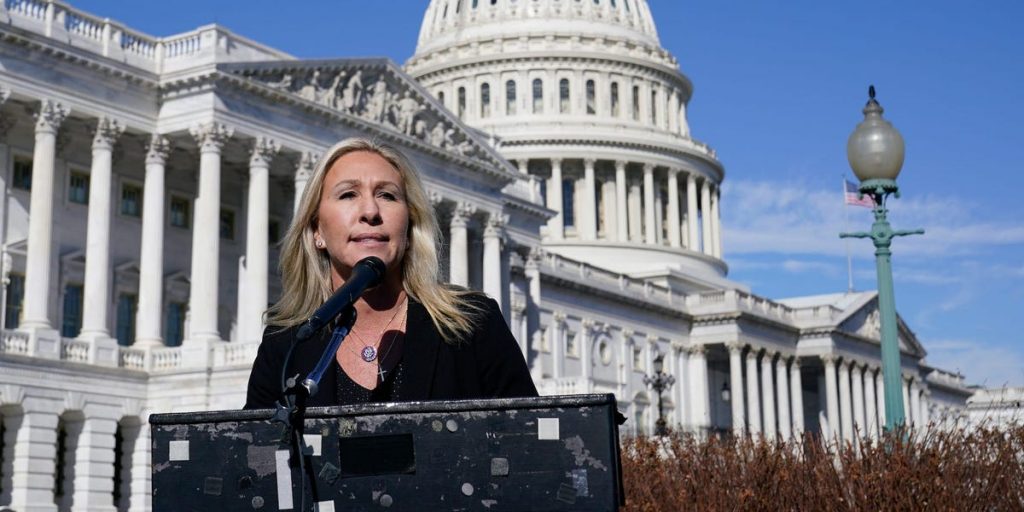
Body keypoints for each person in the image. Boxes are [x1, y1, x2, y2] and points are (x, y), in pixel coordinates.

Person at [244, 137, 537, 409]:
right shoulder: (286, 344)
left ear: (409, 228)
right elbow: (252, 445)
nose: (370, 211)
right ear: (316, 230)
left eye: (387, 195)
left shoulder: (472, 323)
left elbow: (530, 435)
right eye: (348, 194)